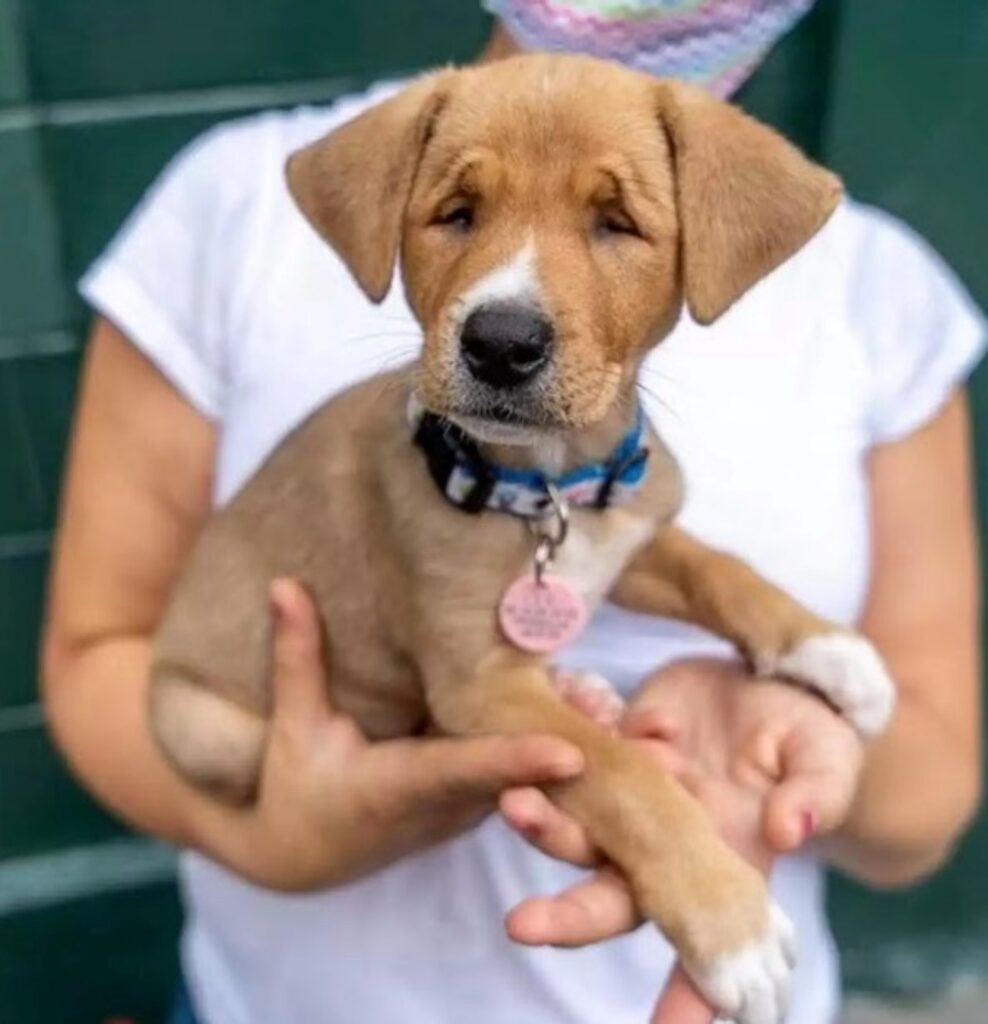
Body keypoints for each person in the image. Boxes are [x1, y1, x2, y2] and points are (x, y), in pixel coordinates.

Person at [41, 3, 984, 1023]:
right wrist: (273, 836)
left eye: (613, 221)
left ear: (710, 244)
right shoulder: (231, 204)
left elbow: (922, 806)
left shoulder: (875, 298)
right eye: (457, 213)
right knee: (219, 733)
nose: (508, 308)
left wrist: (791, 700)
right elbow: (102, 653)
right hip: (284, 985)